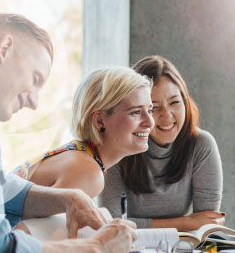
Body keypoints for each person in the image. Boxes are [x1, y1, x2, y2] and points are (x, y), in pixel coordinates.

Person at [0, 13, 137, 253]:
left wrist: (68, 198)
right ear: (4, 48)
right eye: (36, 79)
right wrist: (98, 247)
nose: (35, 102)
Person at [98, 55, 224, 231]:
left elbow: (206, 223)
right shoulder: (118, 145)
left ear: (185, 101)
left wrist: (190, 224)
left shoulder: (201, 145)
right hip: (130, 249)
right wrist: (185, 222)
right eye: (154, 107)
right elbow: (110, 224)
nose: (167, 115)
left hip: (184, 250)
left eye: (174, 102)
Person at [11, 67, 155, 198]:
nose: (150, 122)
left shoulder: (81, 156)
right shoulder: (87, 172)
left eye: (150, 110)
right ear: (99, 121)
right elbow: (24, 226)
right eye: (135, 112)